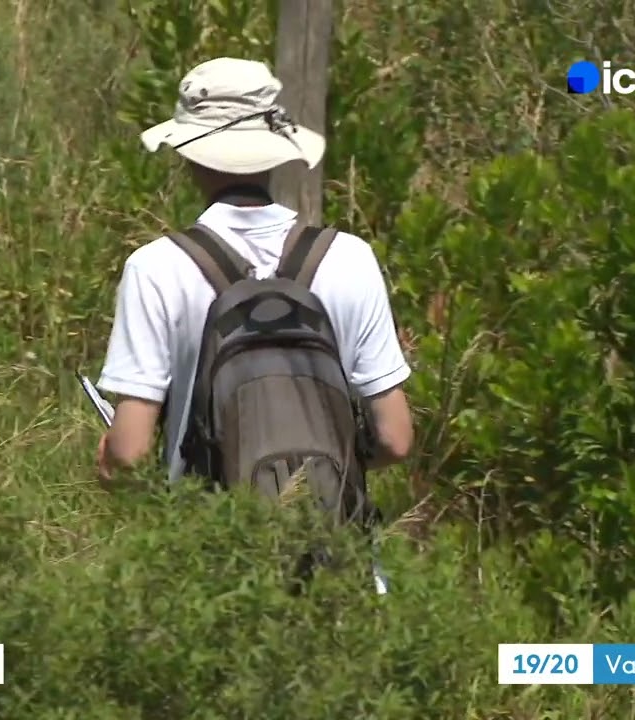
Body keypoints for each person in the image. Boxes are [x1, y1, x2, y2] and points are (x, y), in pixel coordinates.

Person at [95, 57, 414, 489]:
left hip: (209, 529)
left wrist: (111, 455)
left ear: (188, 152)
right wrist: (315, 472)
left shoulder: (155, 268)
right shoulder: (349, 257)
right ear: (274, 149)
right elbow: (395, 439)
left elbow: (130, 452)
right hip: (330, 529)